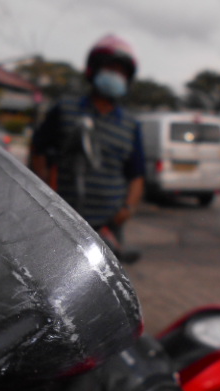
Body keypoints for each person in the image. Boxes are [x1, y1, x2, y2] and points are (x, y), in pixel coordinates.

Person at [30, 34, 145, 262]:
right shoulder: (65, 110)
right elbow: (38, 149)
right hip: (63, 223)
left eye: (121, 72)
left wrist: (127, 209)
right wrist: (44, 190)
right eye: (110, 69)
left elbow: (136, 175)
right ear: (94, 70)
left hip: (109, 226)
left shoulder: (131, 125)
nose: (115, 75)